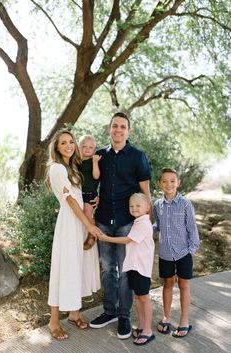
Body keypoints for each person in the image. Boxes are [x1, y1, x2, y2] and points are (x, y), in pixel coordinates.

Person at [90, 112, 152, 340]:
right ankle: (110, 311)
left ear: (128, 131)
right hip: (104, 219)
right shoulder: (101, 156)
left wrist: (149, 218)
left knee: (126, 271)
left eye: (123, 127)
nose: (118, 130)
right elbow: (92, 184)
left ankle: (124, 316)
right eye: (115, 126)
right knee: (108, 269)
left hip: (128, 222)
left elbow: (145, 191)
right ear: (109, 129)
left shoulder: (137, 156)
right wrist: (92, 200)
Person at [45, 129, 102, 340]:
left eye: (71, 142)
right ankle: (53, 321)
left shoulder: (73, 167)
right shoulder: (57, 168)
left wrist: (97, 202)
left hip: (80, 221)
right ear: (57, 147)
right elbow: (70, 201)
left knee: (78, 266)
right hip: (70, 223)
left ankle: (74, 313)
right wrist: (89, 225)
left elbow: (83, 193)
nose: (69, 145)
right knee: (65, 267)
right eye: (63, 143)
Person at [97, 193, 155, 346]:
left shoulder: (143, 223)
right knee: (137, 297)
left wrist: (106, 238)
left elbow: (127, 240)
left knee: (144, 298)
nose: (134, 208)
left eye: (138, 205)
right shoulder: (137, 222)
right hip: (133, 267)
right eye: (131, 206)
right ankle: (142, 326)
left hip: (141, 268)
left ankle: (148, 330)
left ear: (147, 208)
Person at [153, 168, 200, 338]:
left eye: (172, 180)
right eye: (164, 181)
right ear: (159, 184)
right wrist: (143, 232)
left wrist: (192, 249)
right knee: (167, 284)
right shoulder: (157, 205)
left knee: (183, 285)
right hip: (165, 252)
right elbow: (157, 226)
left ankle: (184, 321)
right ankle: (166, 317)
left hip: (183, 252)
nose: (169, 184)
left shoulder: (186, 204)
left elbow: (192, 229)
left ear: (178, 182)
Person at [78, 135, 101, 250]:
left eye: (90, 147)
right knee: (79, 214)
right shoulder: (76, 162)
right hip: (79, 194)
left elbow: (96, 176)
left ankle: (93, 234)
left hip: (90, 194)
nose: (87, 149)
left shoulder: (93, 161)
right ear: (78, 147)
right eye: (84, 146)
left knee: (87, 213)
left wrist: (95, 162)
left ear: (94, 150)